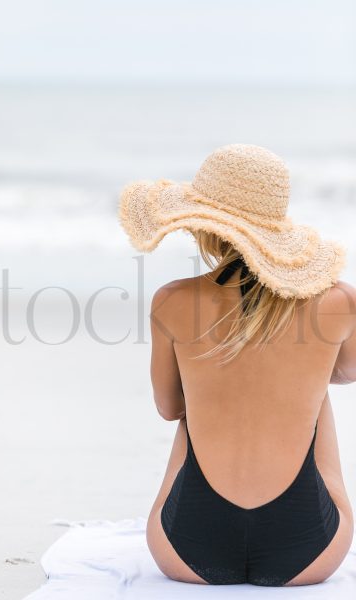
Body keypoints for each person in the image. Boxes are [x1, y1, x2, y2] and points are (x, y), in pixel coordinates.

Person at [118, 144, 355, 586]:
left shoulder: (173, 301)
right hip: (310, 552)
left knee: (197, 402)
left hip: (185, 551)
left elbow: (170, 408)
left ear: (204, 226)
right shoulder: (339, 300)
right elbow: (347, 372)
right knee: (315, 387)